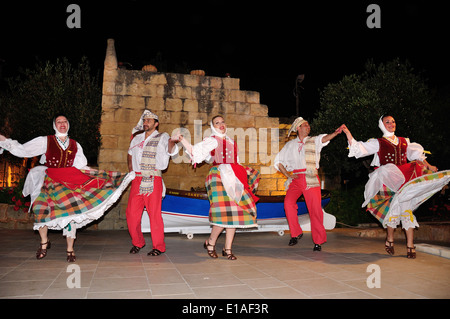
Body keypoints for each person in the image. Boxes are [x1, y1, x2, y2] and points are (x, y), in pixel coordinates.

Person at [0, 115, 133, 262]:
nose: (62, 124)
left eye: (64, 121)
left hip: (68, 181)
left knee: (71, 213)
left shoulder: (75, 144)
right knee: (40, 209)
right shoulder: (46, 141)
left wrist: (92, 175)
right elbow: (24, 150)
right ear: (54, 125)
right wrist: (5, 141)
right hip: (50, 180)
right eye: (59, 122)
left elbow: (80, 165)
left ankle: (70, 249)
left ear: (68, 124)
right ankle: (44, 243)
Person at [342, 115, 450, 258]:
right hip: (389, 179)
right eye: (387, 122)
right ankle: (390, 239)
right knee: (394, 209)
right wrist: (347, 133)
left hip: (405, 179)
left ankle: (409, 245)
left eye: (393, 121)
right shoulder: (378, 142)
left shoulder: (404, 142)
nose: (391, 124)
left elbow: (418, 157)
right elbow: (359, 148)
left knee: (406, 210)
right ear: (381, 125)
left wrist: (429, 166)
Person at [172, 115, 260, 260]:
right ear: (213, 127)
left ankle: (228, 248)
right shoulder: (212, 140)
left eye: (222, 122)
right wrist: (182, 140)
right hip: (219, 177)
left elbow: (236, 161)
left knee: (235, 212)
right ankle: (211, 243)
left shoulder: (231, 141)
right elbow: (196, 152)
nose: (221, 125)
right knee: (223, 213)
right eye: (217, 123)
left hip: (234, 176)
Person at [274, 117, 345, 251]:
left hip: (310, 177)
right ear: (298, 128)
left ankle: (318, 241)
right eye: (305, 125)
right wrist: (288, 174)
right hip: (296, 178)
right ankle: (296, 233)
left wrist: (335, 133)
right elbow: (278, 161)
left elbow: (324, 138)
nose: (308, 127)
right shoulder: (290, 145)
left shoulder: (313, 140)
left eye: (308, 125)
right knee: (288, 203)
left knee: (315, 210)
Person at [126, 110, 179, 256]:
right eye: (144, 120)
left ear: (156, 124)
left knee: (154, 214)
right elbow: (130, 154)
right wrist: (131, 170)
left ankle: (158, 246)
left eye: (149, 120)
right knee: (131, 214)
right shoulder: (136, 138)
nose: (145, 122)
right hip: (137, 179)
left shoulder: (163, 137)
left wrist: (172, 142)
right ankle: (138, 242)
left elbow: (171, 151)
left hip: (153, 178)